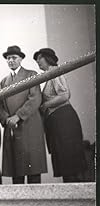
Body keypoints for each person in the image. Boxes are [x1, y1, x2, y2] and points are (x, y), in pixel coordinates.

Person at [33, 48, 87, 183]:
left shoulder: (55, 72)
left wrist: (45, 105)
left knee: (69, 157)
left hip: (63, 119)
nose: (38, 62)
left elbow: (64, 95)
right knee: (64, 159)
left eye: (40, 58)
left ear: (47, 58)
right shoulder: (49, 75)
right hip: (57, 121)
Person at [0, 45, 47, 184]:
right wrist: (6, 119)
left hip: (29, 124)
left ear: (21, 59)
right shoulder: (3, 81)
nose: (11, 60)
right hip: (11, 127)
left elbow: (35, 98)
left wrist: (18, 116)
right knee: (16, 169)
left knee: (33, 168)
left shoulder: (31, 75)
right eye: (8, 58)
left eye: (14, 57)